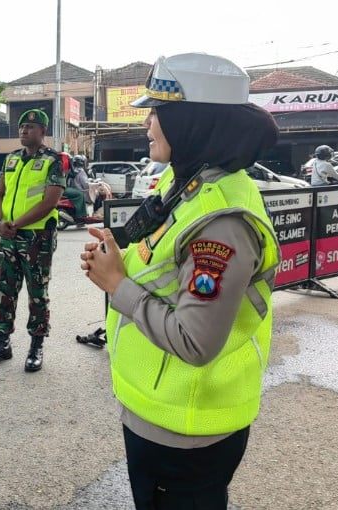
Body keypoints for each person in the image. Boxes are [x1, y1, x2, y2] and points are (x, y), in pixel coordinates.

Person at [80, 53, 281, 509]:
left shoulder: (222, 225)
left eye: (158, 113)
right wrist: (116, 255)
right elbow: (158, 260)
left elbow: (196, 341)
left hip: (186, 427)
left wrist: (116, 285)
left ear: (193, 120)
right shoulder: (188, 179)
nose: (148, 124)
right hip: (158, 410)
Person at [0, 108, 65, 372]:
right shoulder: (11, 160)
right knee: (5, 289)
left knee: (37, 293)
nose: (24, 131)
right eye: (21, 128)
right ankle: (2, 343)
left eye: (31, 127)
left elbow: (50, 202)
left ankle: (36, 346)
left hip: (36, 238)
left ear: (43, 132)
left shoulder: (53, 161)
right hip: (7, 237)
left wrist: (15, 224)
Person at [62, 154, 99, 224]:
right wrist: (95, 184)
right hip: (81, 191)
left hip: (73, 188)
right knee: (97, 194)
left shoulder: (72, 170)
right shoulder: (80, 171)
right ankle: (92, 213)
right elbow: (85, 185)